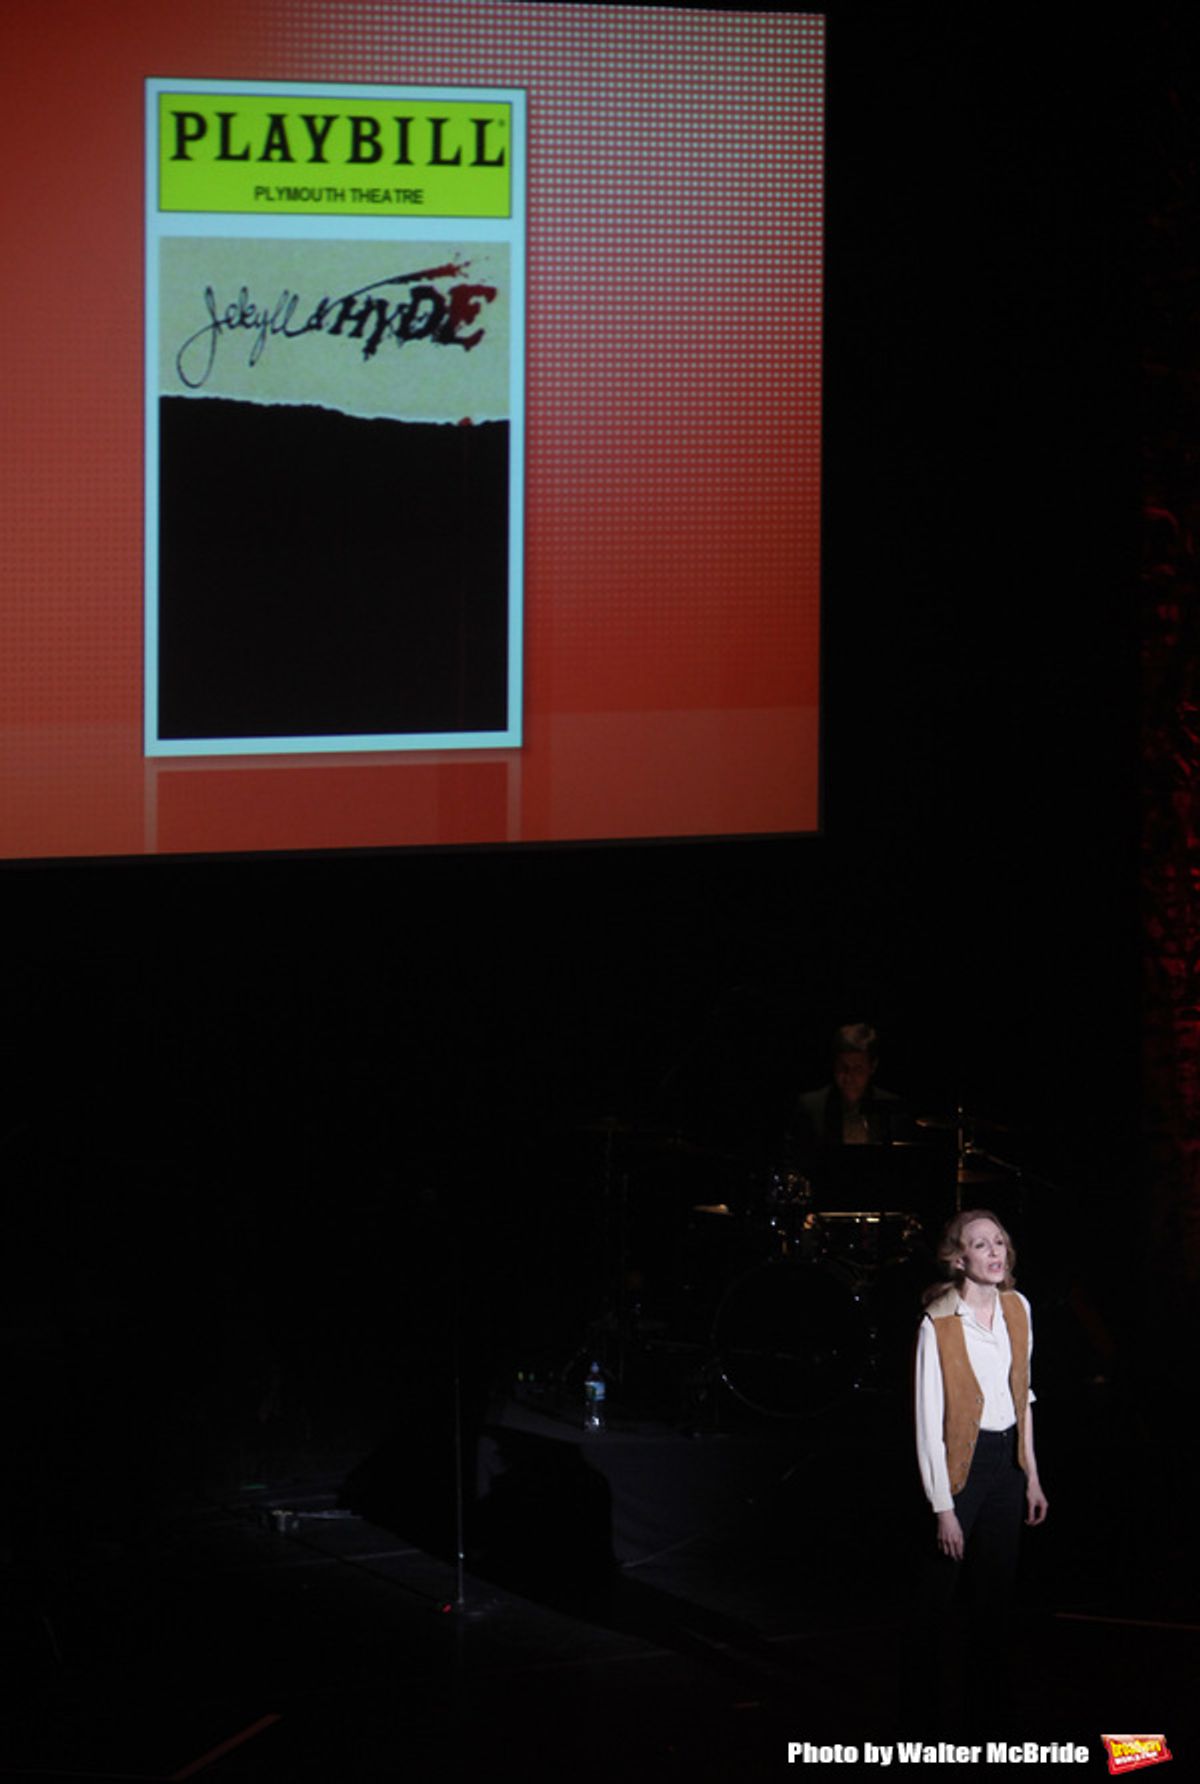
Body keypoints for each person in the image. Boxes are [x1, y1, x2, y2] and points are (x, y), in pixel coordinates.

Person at [912, 1208, 1049, 1728]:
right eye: (980, 1244)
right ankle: (920, 1719)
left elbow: (1023, 1398)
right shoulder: (939, 1324)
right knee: (935, 1600)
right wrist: (944, 1508)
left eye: (999, 1243)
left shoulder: (1019, 1308)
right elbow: (928, 1425)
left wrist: (1031, 1475)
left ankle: (987, 1714)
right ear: (958, 1257)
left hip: (1006, 1465)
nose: (994, 1253)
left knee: (994, 1600)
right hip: (958, 1471)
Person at [793, 1021, 908, 1152]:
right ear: (834, 1064)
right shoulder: (812, 1107)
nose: (848, 1076)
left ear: (873, 1066)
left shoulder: (891, 1107)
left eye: (857, 1068)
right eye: (843, 1067)